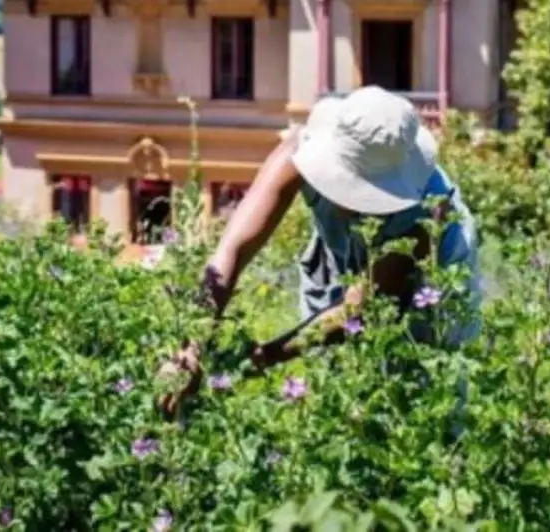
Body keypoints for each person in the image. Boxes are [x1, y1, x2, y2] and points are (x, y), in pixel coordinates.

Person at [159, 85, 483, 415]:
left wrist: (259, 358)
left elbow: (359, 309)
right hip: (339, 255)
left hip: (428, 280)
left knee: (423, 397)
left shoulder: (427, 212)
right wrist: (190, 347)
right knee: (334, 394)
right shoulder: (300, 152)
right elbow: (230, 253)